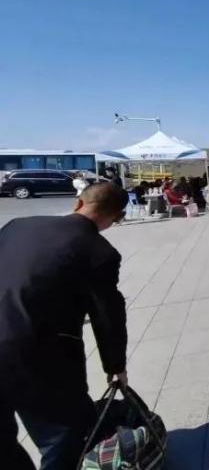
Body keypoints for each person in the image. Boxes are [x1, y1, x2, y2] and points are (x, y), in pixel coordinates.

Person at [0, 182, 129, 470]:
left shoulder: (17, 226)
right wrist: (115, 366)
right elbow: (107, 314)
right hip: (35, 353)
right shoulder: (99, 251)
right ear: (116, 217)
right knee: (62, 435)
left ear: (78, 202)